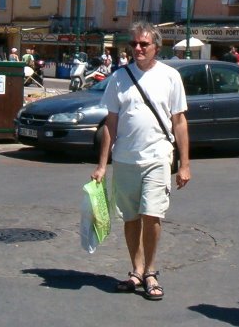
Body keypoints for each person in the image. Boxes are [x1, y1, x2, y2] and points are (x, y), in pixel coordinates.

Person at [91, 22, 190, 302]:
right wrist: (102, 164)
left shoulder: (170, 77)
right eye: (133, 44)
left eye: (143, 44)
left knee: (152, 214)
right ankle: (135, 270)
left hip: (158, 157)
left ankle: (150, 271)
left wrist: (185, 164)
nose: (137, 48)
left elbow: (180, 122)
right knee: (131, 217)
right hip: (125, 159)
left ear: (156, 47)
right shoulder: (119, 77)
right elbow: (111, 122)